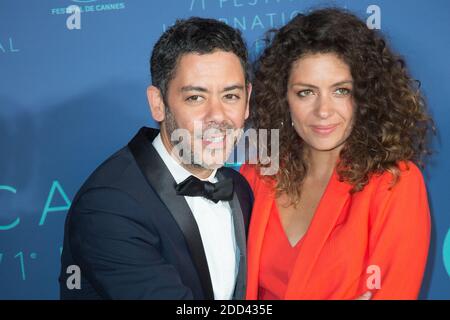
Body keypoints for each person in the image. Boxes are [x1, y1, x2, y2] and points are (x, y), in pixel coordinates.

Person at [241, 8, 434, 300]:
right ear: (284, 99)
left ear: (364, 96)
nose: (323, 111)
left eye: (341, 91)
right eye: (306, 92)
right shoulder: (257, 175)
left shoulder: (395, 183)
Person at [59, 17, 253, 300]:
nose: (218, 116)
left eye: (231, 96)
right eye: (195, 98)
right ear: (158, 103)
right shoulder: (109, 204)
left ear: (248, 100)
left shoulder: (240, 187)